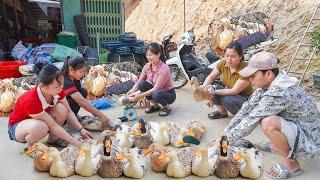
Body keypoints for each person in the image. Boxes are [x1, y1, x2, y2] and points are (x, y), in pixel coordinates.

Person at [223, 51, 320, 179]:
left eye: (253, 76)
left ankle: (292, 165)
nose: (250, 80)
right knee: (264, 116)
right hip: (298, 128)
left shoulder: (279, 91)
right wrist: (226, 131)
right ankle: (276, 146)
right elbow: (247, 109)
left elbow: (252, 119)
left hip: (310, 139)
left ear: (268, 74)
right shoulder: (269, 84)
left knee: (267, 122)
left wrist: (225, 141)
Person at [8, 63, 93, 148]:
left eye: (62, 84)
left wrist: (81, 129)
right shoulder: (31, 100)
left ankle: (53, 140)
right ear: (42, 86)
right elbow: (53, 125)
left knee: (62, 109)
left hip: (36, 120)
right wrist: (75, 142)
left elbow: (69, 111)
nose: (61, 88)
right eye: (57, 86)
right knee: (41, 127)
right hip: (17, 127)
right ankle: (33, 148)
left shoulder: (58, 90)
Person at [201, 41, 253, 119]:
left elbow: (234, 91)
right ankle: (222, 112)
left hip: (244, 98)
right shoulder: (223, 63)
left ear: (240, 56)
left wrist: (212, 91)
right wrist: (204, 88)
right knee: (210, 86)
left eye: (233, 56)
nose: (229, 59)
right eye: (227, 56)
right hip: (231, 93)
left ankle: (243, 115)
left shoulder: (245, 69)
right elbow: (211, 77)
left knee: (226, 99)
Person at [127, 42, 176, 116]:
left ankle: (167, 107)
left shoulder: (164, 68)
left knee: (156, 94)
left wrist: (140, 96)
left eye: (150, 55)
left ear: (158, 54)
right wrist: (131, 91)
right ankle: (155, 106)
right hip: (156, 91)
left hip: (168, 93)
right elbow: (139, 81)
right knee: (142, 84)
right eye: (147, 55)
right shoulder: (147, 66)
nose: (148, 57)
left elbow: (155, 88)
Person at [61, 56, 111, 128]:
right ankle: (65, 120)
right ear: (71, 70)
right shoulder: (65, 81)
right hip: (56, 110)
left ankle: (73, 115)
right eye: (80, 72)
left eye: (83, 72)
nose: (82, 74)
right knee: (75, 99)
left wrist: (95, 112)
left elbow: (81, 96)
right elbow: (81, 101)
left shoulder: (74, 78)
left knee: (83, 92)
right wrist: (100, 115)